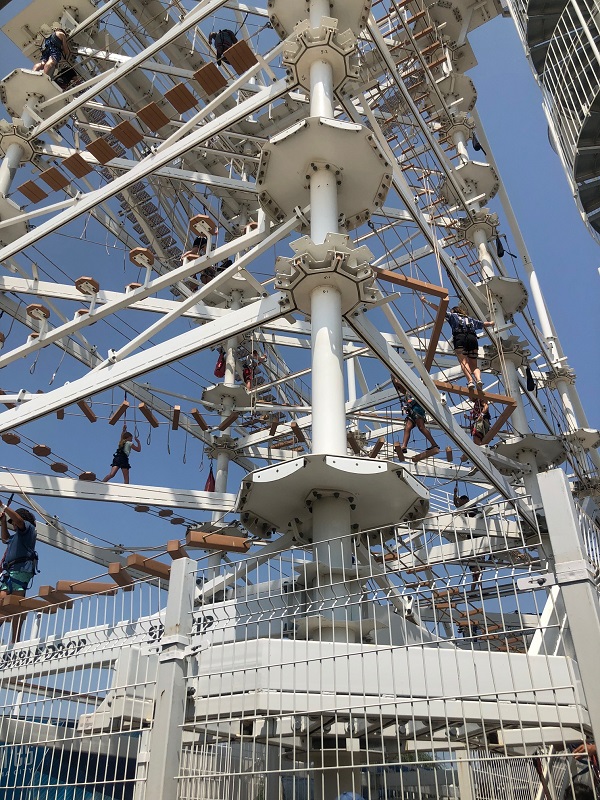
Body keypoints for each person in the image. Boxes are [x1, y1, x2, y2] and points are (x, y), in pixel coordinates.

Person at [420, 296, 494, 390]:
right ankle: (479, 380)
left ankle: (470, 381)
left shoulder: (452, 316)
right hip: (472, 338)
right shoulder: (470, 319)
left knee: (463, 362)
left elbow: (439, 309)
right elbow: (483, 324)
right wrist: (491, 323)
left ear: (453, 311)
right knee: (474, 365)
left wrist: (426, 301)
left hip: (460, 337)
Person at [0, 506, 38, 643]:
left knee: (15, 605)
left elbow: (19, 520)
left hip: (21, 571)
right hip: (10, 572)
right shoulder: (17, 537)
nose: (14, 525)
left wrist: (3, 506)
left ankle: (15, 640)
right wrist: (3, 521)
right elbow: (5, 539)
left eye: (13, 522)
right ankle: (13, 638)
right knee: (2, 603)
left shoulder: (27, 528)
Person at [391, 375, 439, 455]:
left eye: (399, 387)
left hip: (417, 409)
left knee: (421, 427)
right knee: (407, 427)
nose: (399, 390)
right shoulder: (407, 393)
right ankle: (404, 446)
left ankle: (434, 444)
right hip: (412, 411)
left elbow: (414, 399)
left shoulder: (411, 389)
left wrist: (408, 405)